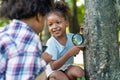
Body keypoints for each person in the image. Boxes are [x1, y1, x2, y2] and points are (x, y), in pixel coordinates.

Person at [0, 0, 53, 80]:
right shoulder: (27, 38)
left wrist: (41, 61)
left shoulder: (5, 31)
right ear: (39, 16)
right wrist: (44, 62)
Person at [44, 1, 85, 80]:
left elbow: (82, 42)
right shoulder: (51, 42)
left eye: (58, 22)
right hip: (53, 70)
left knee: (79, 72)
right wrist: (69, 53)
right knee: (63, 78)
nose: (54, 27)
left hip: (67, 67)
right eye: (50, 24)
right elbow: (53, 66)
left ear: (66, 23)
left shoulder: (72, 37)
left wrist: (83, 33)